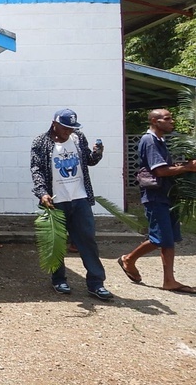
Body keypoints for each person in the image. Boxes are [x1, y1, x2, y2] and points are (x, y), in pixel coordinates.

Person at [30, 109, 112, 300]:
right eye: (65, 127)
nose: (68, 131)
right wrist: (42, 193)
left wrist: (98, 153)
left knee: (88, 241)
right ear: (54, 124)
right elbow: (36, 169)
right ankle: (59, 280)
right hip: (55, 201)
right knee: (56, 241)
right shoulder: (41, 142)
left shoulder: (78, 138)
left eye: (72, 128)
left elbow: (89, 161)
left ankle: (96, 284)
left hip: (80, 198)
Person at [118, 109, 196, 294]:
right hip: (155, 196)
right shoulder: (149, 140)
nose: (172, 122)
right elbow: (159, 171)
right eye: (167, 119)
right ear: (154, 120)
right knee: (160, 237)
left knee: (168, 239)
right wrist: (187, 167)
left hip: (167, 195)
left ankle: (169, 280)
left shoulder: (160, 140)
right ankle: (128, 259)